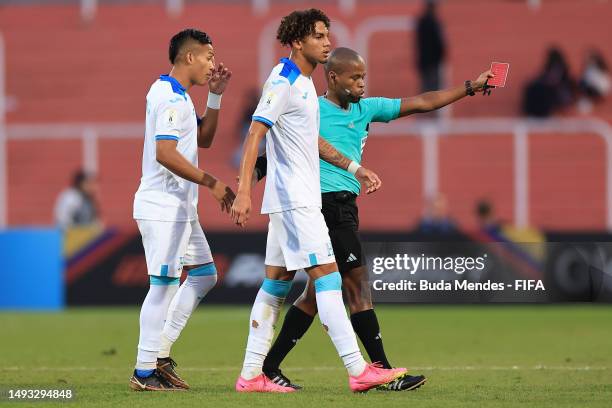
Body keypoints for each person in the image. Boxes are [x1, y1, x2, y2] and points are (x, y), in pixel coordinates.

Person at [258, 47, 494, 391]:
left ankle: (268, 366)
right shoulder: (312, 109)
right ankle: (383, 371)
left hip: (344, 207)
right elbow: (279, 145)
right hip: (323, 204)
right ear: (334, 77)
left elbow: (423, 102)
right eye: (354, 77)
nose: (361, 83)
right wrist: (251, 177)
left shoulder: (366, 109)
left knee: (314, 294)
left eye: (363, 77)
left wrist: (470, 86)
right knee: (357, 285)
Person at [230, 10, 406, 393]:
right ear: (298, 42)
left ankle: (250, 375)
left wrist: (353, 166)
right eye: (319, 36)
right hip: (296, 199)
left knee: (275, 286)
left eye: (327, 35)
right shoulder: (285, 80)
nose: (327, 42)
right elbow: (255, 133)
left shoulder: (306, 84)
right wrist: (245, 189)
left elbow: (309, 139)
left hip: (293, 200)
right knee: (328, 279)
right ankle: (358, 369)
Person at [130, 28, 235, 391]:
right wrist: (212, 182)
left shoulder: (177, 94)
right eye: (207, 56)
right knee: (163, 287)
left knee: (205, 274)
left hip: (180, 209)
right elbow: (165, 153)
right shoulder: (171, 98)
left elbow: (202, 139)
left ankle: (158, 354)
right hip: (164, 207)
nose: (211, 63)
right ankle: (144, 371)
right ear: (188, 57)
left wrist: (216, 97)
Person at [415, 0, 446, 92]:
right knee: (433, 91)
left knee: (426, 90)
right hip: (432, 62)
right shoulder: (433, 22)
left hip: (425, 61)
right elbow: (438, 43)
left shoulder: (422, 22)